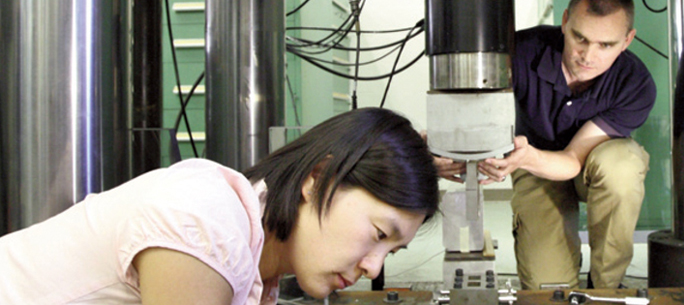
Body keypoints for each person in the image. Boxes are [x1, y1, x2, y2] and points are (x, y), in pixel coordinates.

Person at [0, 108, 439, 304]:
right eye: (380, 235)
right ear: (317, 178)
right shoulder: (207, 221)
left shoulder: (252, 266)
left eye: (391, 252)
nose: (374, 268)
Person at [434, 0, 655, 290]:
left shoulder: (634, 84)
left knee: (622, 166)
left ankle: (607, 287)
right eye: (580, 38)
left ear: (627, 40)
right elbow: (471, 108)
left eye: (606, 45)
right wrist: (445, 148)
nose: (588, 56)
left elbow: (574, 160)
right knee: (548, 289)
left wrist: (523, 156)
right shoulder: (522, 51)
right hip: (534, 164)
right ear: (565, 22)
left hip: (590, 165)